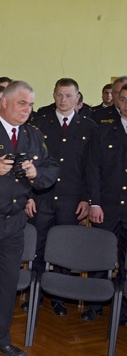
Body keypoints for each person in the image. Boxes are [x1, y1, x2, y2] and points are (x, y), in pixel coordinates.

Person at [0, 81, 59, 356]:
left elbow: (52, 168)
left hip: (14, 222)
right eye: (22, 103)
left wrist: (35, 174)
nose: (27, 109)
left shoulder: (32, 135)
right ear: (4, 102)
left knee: (7, 284)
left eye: (30, 104)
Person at [25, 78, 96, 318]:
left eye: (69, 96)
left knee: (64, 249)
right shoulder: (40, 124)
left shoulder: (89, 127)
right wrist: (29, 195)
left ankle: (59, 297)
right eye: (59, 95)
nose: (63, 100)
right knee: (39, 246)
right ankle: (36, 293)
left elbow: (90, 167)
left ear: (78, 98)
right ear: (54, 96)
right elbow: (29, 163)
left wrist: (86, 198)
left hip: (71, 198)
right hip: (42, 196)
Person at [86, 83, 127, 326]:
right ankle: (94, 304)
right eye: (123, 99)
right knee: (99, 256)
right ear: (116, 101)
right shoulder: (103, 133)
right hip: (108, 205)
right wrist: (95, 203)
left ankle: (124, 309)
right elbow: (93, 171)